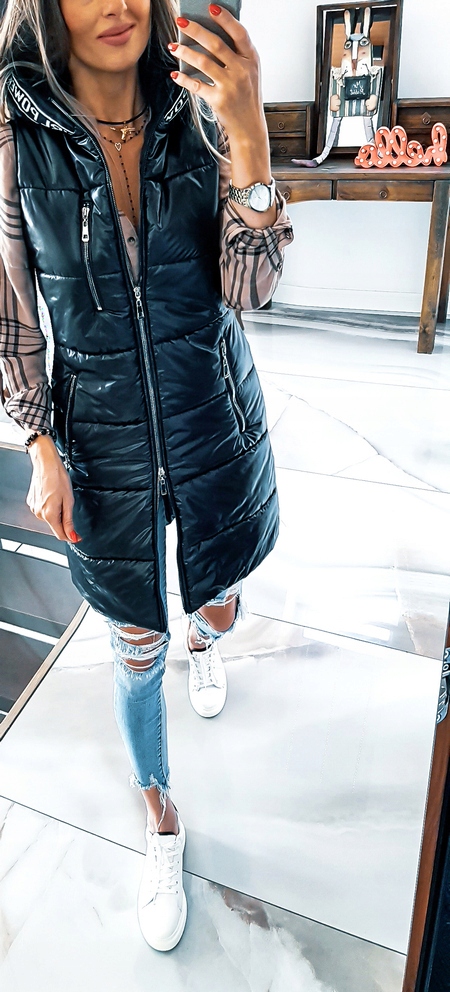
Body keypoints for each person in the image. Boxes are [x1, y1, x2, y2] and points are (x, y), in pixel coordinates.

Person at [0, 0, 293, 951]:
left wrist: (248, 136)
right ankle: (160, 811)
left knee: (218, 602)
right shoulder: (14, 133)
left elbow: (249, 291)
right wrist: (40, 445)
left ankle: (209, 629)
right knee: (135, 643)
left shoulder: (197, 106)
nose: (117, 5)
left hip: (211, 413)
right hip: (102, 438)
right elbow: (12, 314)